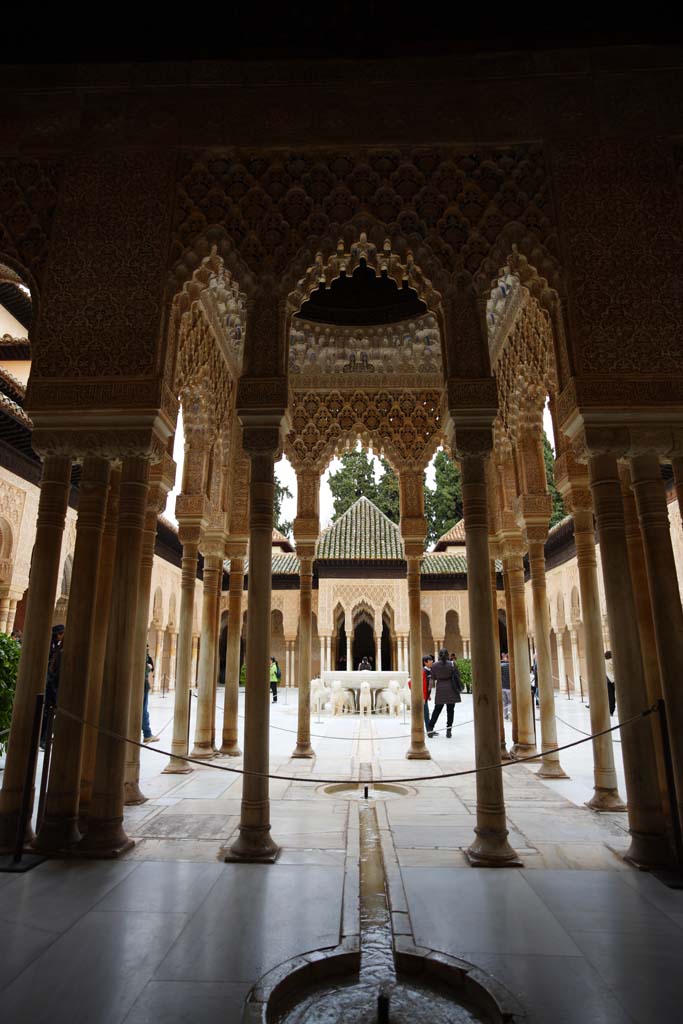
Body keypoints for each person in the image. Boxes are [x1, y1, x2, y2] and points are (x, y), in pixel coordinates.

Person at [427, 648, 462, 738]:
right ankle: (449, 730)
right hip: (451, 688)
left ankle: (430, 728)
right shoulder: (452, 664)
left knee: (437, 710)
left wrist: (429, 691)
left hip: (440, 689)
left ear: (439, 655)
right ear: (448, 655)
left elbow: (433, 678)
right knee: (450, 710)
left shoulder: (434, 665)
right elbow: (458, 675)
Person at [40, 624, 64, 749]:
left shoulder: (57, 647)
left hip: (52, 684)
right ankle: (43, 738)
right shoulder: (53, 647)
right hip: (51, 685)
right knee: (47, 712)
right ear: (58, 634)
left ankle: (45, 737)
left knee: (49, 712)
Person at [142, 646, 160, 743]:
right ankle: (147, 734)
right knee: (143, 710)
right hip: (142, 684)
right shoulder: (143, 648)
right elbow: (146, 667)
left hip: (142, 683)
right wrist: (148, 667)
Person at [422, 655, 433, 728]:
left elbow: (428, 684)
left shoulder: (429, 671)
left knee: (426, 713)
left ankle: (429, 729)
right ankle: (429, 730)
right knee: (426, 713)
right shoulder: (423, 672)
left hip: (426, 696)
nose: (431, 662)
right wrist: (423, 695)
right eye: (430, 661)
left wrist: (428, 695)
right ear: (425, 663)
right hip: (423, 696)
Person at [500, 651, 511, 720]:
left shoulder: (501, 666)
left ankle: (505, 715)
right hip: (510, 687)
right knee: (510, 702)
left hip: (503, 687)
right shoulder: (512, 666)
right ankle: (510, 714)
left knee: (504, 702)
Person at [605, 650, 616, 716]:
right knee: (612, 696)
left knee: (610, 695)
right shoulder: (613, 661)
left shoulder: (605, 662)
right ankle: (611, 710)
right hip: (613, 680)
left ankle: (610, 710)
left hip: (608, 680)